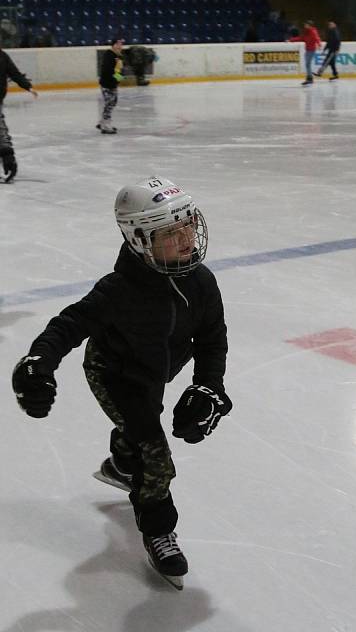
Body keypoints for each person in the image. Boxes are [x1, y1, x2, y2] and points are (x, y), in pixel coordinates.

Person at [11, 176, 232, 589]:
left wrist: (208, 386)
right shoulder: (119, 290)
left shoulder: (201, 283)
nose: (186, 238)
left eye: (188, 224)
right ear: (140, 240)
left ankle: (123, 462)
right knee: (155, 453)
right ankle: (158, 528)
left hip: (157, 369)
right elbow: (69, 325)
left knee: (140, 431)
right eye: (170, 232)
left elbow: (212, 338)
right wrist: (39, 361)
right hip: (113, 373)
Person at [0, 48, 38, 182]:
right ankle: (8, 159)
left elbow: (14, 73)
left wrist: (27, 86)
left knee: (1, 131)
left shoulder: (3, 56)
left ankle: (8, 160)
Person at [98, 38, 124, 134]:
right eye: (117, 44)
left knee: (113, 102)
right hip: (107, 83)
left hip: (113, 84)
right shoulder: (109, 55)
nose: (120, 46)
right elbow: (108, 70)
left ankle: (102, 122)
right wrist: (117, 78)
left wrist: (119, 78)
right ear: (113, 45)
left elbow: (119, 70)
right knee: (109, 103)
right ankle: (106, 125)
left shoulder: (118, 56)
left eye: (121, 44)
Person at [289, 20, 321, 86]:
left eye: (306, 24)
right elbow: (301, 38)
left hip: (311, 50)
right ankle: (309, 78)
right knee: (307, 64)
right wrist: (291, 40)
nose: (304, 26)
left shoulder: (313, 31)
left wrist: (319, 44)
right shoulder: (307, 32)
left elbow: (317, 38)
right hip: (308, 50)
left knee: (307, 64)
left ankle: (309, 78)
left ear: (309, 25)